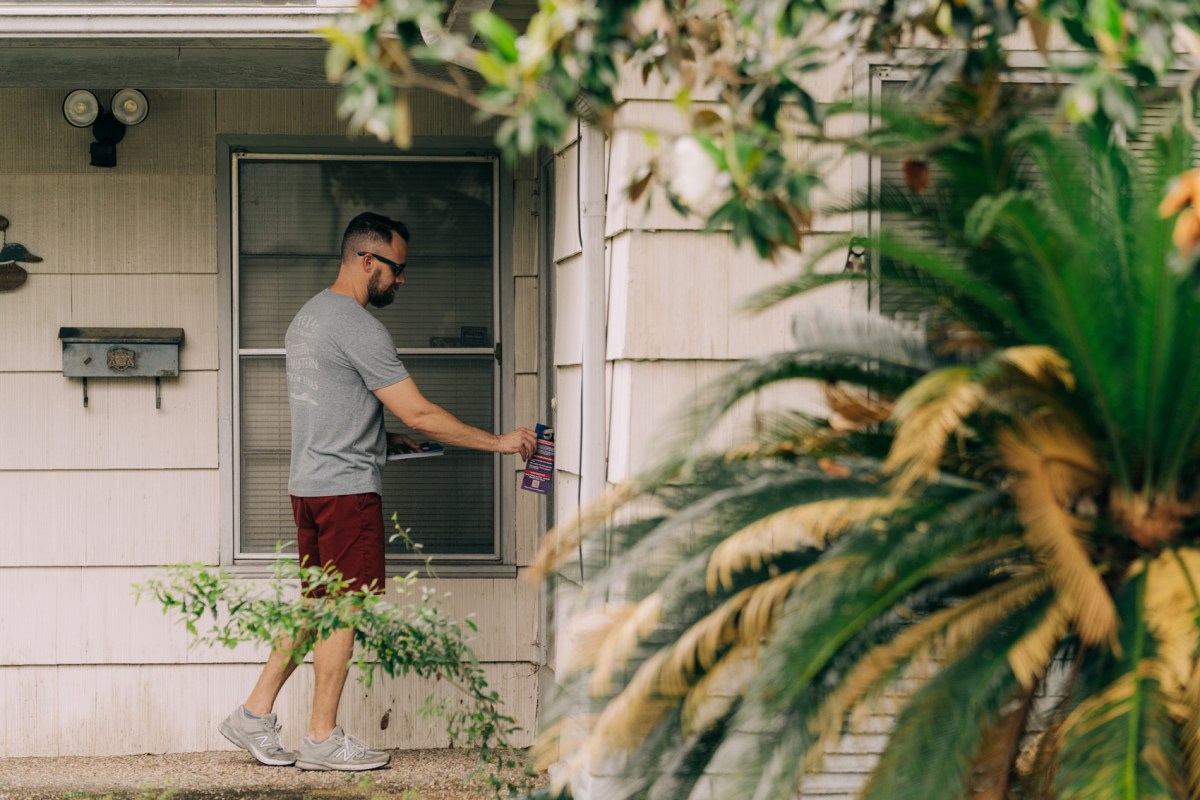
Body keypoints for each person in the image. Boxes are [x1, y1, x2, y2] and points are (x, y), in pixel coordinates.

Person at [218, 212, 537, 771]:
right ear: (368, 261)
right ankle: (320, 738)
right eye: (398, 268)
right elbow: (419, 411)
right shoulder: (359, 326)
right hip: (346, 494)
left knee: (318, 606)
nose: (402, 279)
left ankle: (253, 713)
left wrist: (379, 437)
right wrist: (501, 443)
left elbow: (334, 410)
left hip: (310, 487)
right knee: (342, 613)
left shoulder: (308, 318)